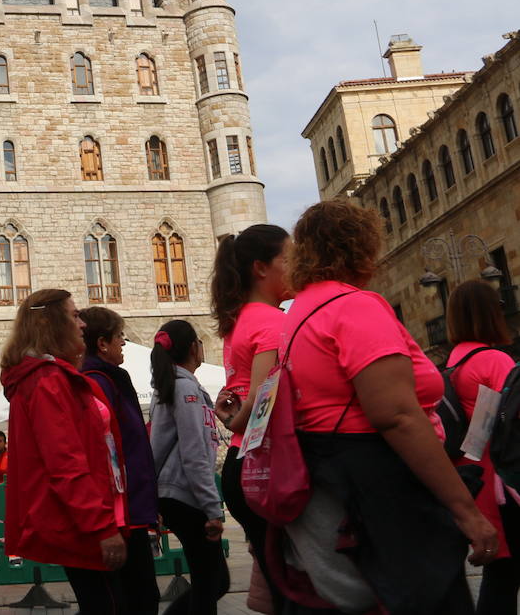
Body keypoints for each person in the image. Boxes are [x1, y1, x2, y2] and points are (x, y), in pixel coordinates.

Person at [278, 199, 496, 614]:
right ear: (363, 245)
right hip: (389, 487)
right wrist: (465, 511)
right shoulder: (355, 306)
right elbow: (396, 415)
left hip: (340, 479)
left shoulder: (300, 313)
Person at [1, 288, 130, 613]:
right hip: (84, 524)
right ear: (52, 323)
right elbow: (65, 463)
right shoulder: (47, 381)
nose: (82, 324)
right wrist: (101, 527)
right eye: (74, 315)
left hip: (90, 516)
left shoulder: (53, 377)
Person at [209, 224, 292, 612]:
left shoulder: (240, 320)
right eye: (287, 260)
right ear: (261, 268)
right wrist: (238, 419)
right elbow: (262, 399)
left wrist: (233, 420)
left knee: (277, 577)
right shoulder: (271, 321)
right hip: (263, 465)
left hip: (244, 463)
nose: (296, 267)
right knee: (290, 585)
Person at [79, 305, 161, 615]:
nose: (123, 343)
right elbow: (107, 452)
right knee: (136, 598)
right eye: (119, 337)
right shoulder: (98, 382)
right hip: (120, 515)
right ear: (102, 343)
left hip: (132, 509)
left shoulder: (110, 378)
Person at [445, 279, 520, 615]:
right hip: (504, 483)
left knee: (501, 572)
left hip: (473, 481)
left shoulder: (454, 362)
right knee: (504, 575)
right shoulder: (494, 361)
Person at [149, 319, 229, 615]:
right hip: (186, 497)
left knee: (216, 580)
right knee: (209, 583)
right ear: (193, 347)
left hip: (178, 496)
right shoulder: (184, 390)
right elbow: (194, 455)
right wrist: (212, 509)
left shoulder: (177, 387)